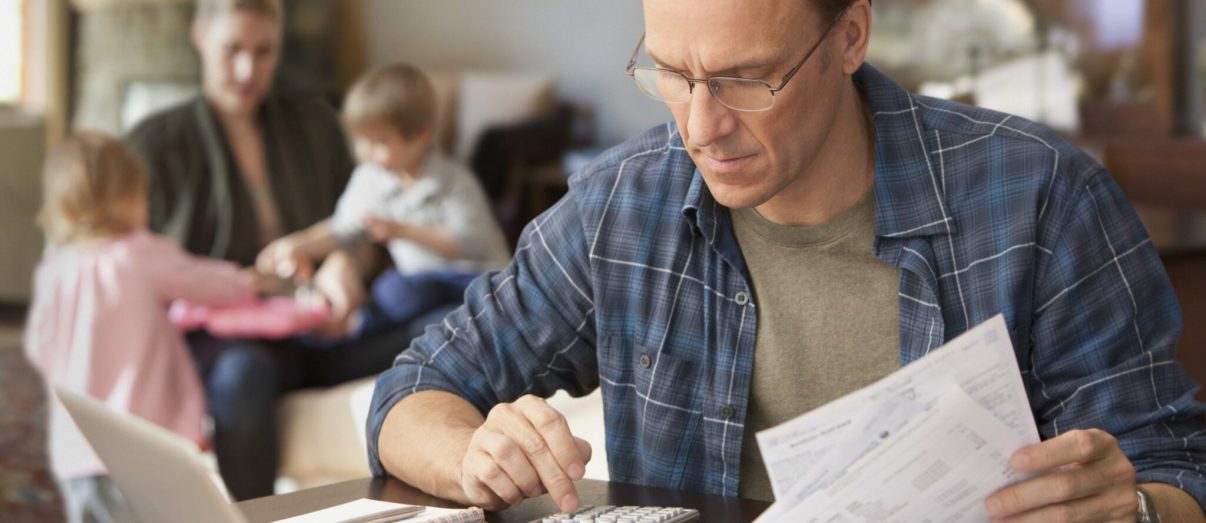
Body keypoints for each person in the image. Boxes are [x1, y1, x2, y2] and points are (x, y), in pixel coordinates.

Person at [367, 0, 1206, 520]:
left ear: (849, 35)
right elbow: (412, 391)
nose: (699, 126)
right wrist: (470, 454)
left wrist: (1132, 509)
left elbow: (1178, 472)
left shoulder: (1040, 197)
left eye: (745, 79)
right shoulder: (621, 206)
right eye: (670, 70)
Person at [125, 0, 432, 500]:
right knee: (243, 374)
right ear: (199, 36)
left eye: (264, 51)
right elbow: (136, 274)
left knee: (449, 318)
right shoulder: (153, 147)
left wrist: (343, 267)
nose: (248, 70)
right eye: (233, 50)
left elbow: (360, 230)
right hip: (228, 342)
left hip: (323, 330)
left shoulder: (315, 123)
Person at [24, 132, 265, 522]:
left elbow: (39, 346)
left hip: (75, 451)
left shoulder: (54, 269)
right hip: (142, 448)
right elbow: (205, 282)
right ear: (126, 200)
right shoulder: (138, 253)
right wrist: (246, 280)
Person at [257, 63, 510, 338]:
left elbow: (470, 242)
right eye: (360, 141)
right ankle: (345, 332)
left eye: (379, 142)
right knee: (399, 296)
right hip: (422, 286)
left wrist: (401, 230)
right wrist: (298, 245)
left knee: (397, 290)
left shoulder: (453, 181)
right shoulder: (370, 178)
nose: (366, 153)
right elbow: (341, 229)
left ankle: (360, 329)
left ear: (420, 137)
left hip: (474, 278)